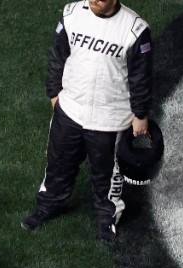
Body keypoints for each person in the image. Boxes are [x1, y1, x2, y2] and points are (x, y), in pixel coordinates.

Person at [22, 0, 153, 243]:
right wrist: (54, 93)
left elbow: (141, 78)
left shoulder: (135, 30)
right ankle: (49, 205)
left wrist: (140, 115)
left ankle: (107, 220)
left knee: (108, 176)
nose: (94, 0)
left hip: (110, 120)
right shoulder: (72, 14)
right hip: (69, 112)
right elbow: (58, 57)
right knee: (58, 164)